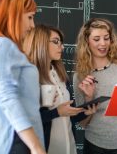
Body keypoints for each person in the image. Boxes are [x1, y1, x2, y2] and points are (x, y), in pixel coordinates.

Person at [0, 0, 45, 154]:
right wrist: (35, 146)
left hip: (17, 139)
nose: (32, 25)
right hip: (15, 140)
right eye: (30, 17)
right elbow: (7, 97)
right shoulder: (2, 45)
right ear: (14, 15)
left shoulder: (4, 47)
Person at [23, 24, 97, 154]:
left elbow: (66, 116)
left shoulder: (60, 75)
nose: (62, 47)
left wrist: (85, 110)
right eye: (56, 42)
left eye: (61, 43)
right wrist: (56, 112)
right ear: (40, 42)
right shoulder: (28, 75)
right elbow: (24, 120)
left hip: (69, 148)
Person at [73, 18, 117, 154]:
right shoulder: (80, 76)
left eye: (106, 38)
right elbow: (82, 123)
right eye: (96, 39)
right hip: (95, 145)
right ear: (87, 42)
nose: (103, 44)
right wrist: (88, 98)